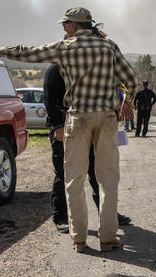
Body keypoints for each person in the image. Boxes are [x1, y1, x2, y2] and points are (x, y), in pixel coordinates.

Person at [0, 6, 137, 253]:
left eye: (65, 25)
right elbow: (131, 79)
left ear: (74, 26)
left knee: (74, 180)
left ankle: (79, 239)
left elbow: (29, 53)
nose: (63, 28)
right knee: (107, 180)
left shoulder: (65, 47)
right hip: (106, 118)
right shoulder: (109, 47)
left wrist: (0, 51)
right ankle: (107, 238)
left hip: (78, 117)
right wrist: (127, 102)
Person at [44, 62, 131, 234]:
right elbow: (49, 98)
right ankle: (61, 217)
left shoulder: (89, 65)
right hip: (64, 127)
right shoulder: (55, 69)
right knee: (65, 173)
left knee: (97, 172)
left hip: (90, 127)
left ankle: (107, 214)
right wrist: (57, 125)